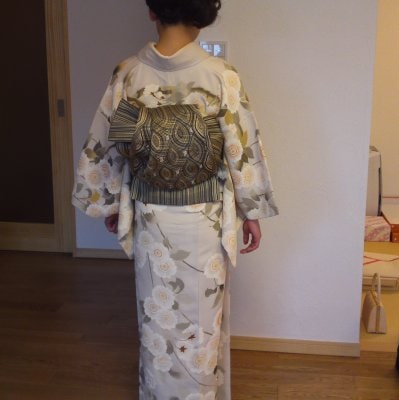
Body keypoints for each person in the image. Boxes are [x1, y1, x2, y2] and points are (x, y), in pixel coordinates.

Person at [72, 1, 278, 398]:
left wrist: (112, 203)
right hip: (206, 220)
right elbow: (240, 147)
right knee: (202, 318)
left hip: (151, 216)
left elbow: (110, 147)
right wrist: (251, 210)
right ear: (202, 13)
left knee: (158, 316)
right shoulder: (221, 75)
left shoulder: (128, 73)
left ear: (153, 11)